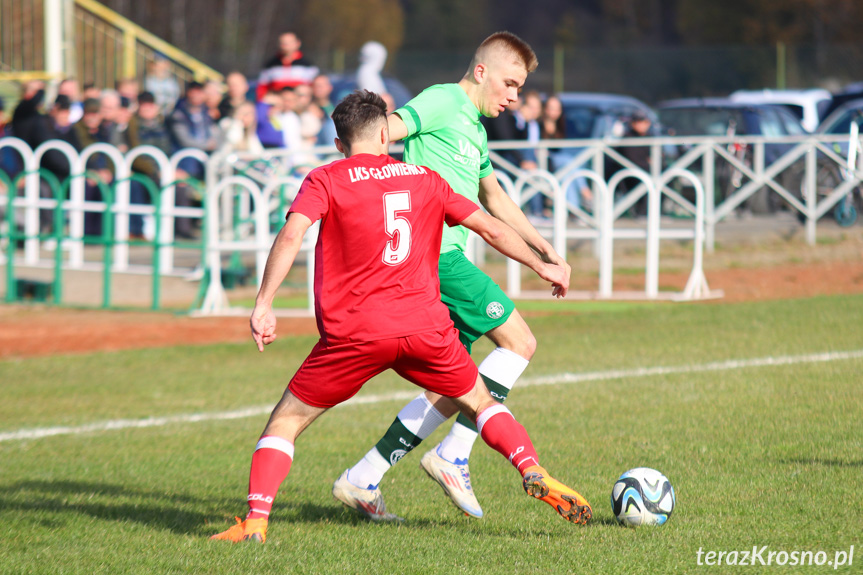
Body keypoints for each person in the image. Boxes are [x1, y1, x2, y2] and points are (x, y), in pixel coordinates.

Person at [209, 90, 591, 544]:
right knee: (482, 401)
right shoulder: (425, 178)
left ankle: (255, 521)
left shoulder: (326, 178)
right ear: (387, 136)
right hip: (425, 328)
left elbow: (292, 234)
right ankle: (532, 468)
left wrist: (263, 304)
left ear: (338, 143)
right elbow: (488, 225)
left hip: (353, 334)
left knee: (286, 421)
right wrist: (540, 263)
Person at [333, 31, 576, 521]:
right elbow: (383, 132)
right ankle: (453, 454)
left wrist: (543, 246)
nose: (514, 96)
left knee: (454, 384)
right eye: (509, 84)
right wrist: (365, 194)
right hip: (437, 257)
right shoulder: (443, 100)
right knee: (519, 342)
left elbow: (496, 198)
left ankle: (363, 477)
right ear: (481, 71)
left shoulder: (476, 129)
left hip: (436, 263)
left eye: (520, 88)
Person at [541, 94, 592, 212]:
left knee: (568, 174)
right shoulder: (538, 125)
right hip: (546, 162)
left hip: (561, 165)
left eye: (557, 109)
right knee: (569, 162)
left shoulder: (562, 125)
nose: (554, 112)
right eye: (551, 108)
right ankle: (585, 191)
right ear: (545, 109)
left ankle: (574, 210)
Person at [256, 32, 319, 101]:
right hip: (278, 103)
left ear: (297, 43)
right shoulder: (270, 65)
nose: (285, 45)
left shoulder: (308, 65)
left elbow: (315, 88)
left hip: (300, 103)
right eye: (283, 43)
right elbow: (262, 88)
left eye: (289, 42)